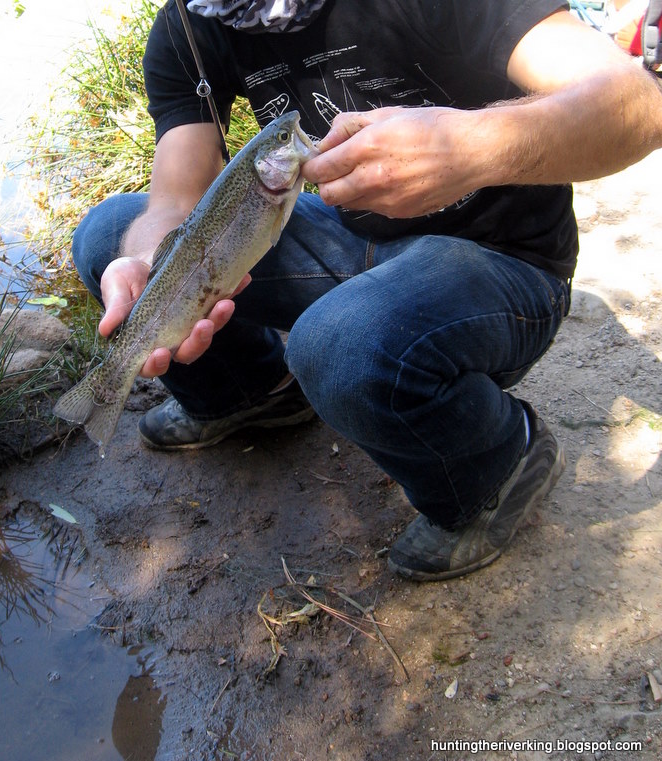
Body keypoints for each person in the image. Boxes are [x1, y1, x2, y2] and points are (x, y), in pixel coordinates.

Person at [71, 0, 662, 580]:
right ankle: (253, 395)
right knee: (109, 237)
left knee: (340, 342)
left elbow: (638, 102)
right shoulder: (194, 21)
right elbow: (176, 201)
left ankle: (502, 461)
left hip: (502, 259)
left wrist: (470, 149)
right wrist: (148, 261)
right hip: (358, 241)